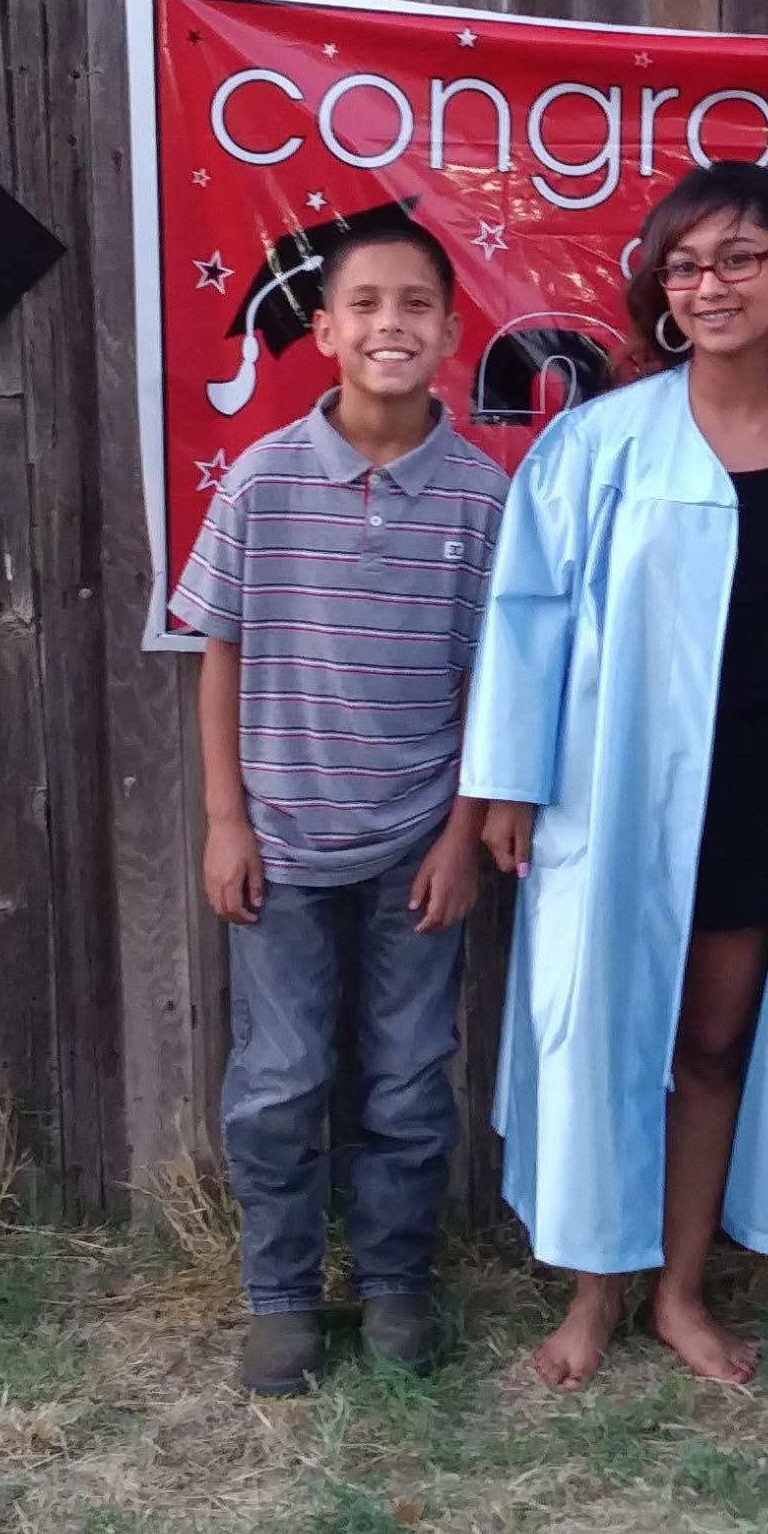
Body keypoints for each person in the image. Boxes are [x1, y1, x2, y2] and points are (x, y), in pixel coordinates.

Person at [462, 161, 768, 1391]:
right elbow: (526, 615)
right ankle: (594, 1290)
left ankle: (679, 1290)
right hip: (614, 789)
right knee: (606, 1031)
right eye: (684, 265)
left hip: (763, 789)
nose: (711, 284)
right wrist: (510, 781)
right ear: (660, 292)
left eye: (739, 256)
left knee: (717, 1040)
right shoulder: (598, 445)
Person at [172, 219, 505, 1397]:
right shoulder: (263, 480)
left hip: (418, 842)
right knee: (281, 1075)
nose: (389, 325)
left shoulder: (481, 497)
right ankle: (281, 1293)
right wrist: (226, 818)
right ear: (322, 330)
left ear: (452, 332)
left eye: (415, 304)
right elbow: (219, 648)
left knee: (410, 1074)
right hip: (280, 842)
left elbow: (495, 683)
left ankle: (396, 1280)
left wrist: (462, 835)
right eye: (364, 303)